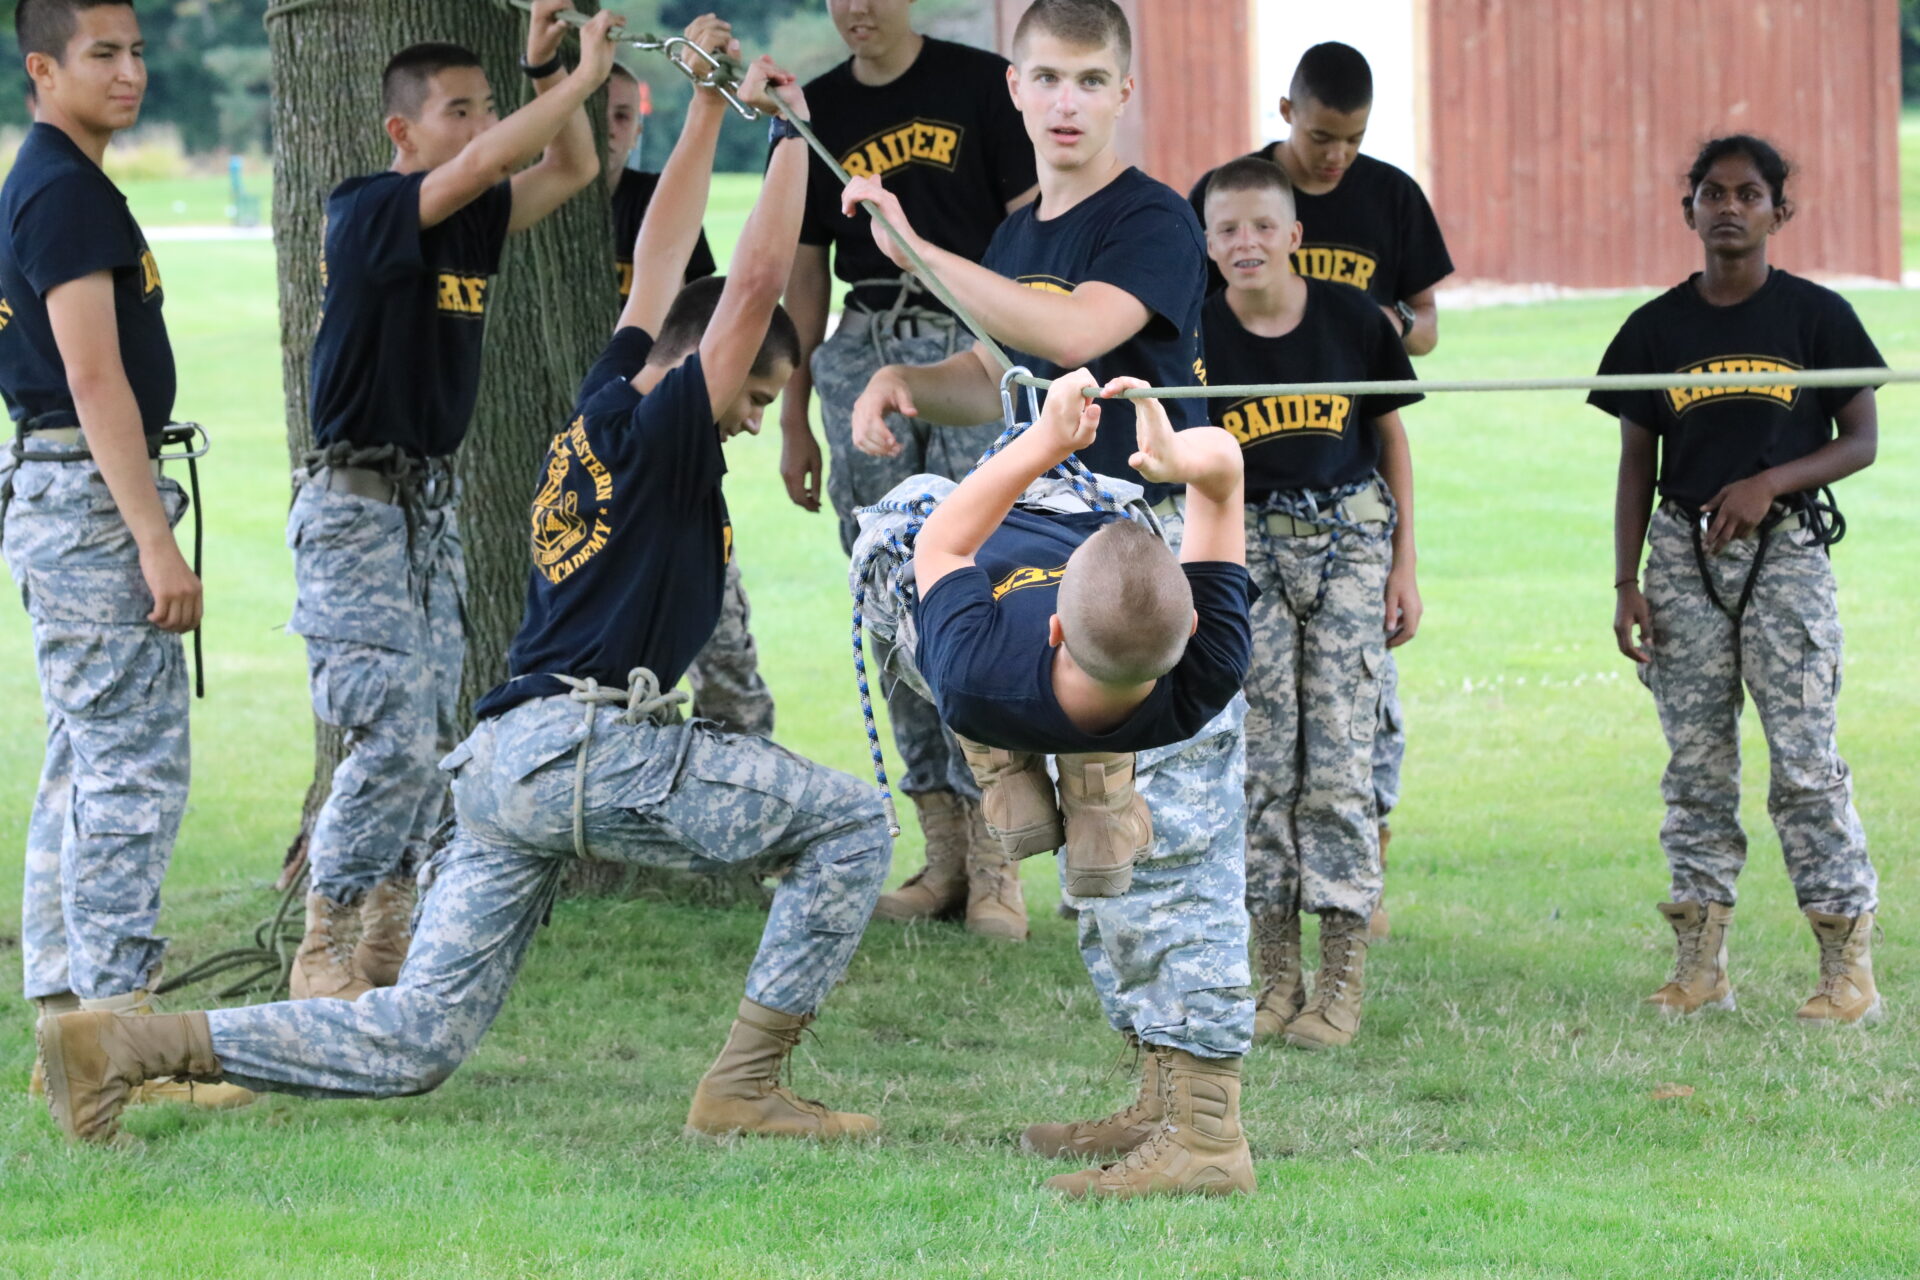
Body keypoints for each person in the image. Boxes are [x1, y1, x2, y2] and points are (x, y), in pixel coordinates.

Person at [39, 56, 899, 1148]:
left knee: (417, 1036)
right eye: (755, 395)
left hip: (504, 767)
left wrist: (708, 115)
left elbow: (658, 266)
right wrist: (788, 134)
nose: (748, 417)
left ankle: (123, 1046)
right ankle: (745, 1084)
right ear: (706, 372)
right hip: (596, 751)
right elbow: (756, 278)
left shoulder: (607, 400)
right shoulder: (671, 430)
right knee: (854, 823)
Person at [845, 0, 1207, 936]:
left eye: (1091, 81)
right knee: (892, 544)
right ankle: (1002, 755)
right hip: (1038, 509)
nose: (1067, 102)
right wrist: (906, 381)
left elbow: (1079, 333)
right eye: (1047, 77)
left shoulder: (1153, 220)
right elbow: (998, 373)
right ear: (1015, 86)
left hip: (1133, 520)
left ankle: (1093, 781)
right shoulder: (1017, 240)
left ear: (1124, 92)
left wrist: (920, 253)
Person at [851, 368, 1256, 1198]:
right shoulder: (1210, 661)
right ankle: (1166, 1104)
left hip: (1008, 697)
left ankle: (1209, 1143)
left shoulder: (976, 670)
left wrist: (1042, 441)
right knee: (1164, 882)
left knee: (897, 525)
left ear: (1057, 626)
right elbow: (1225, 476)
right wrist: (1177, 449)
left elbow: (942, 545)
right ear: (1192, 621)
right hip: (1157, 709)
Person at [285, 1, 621, 1002]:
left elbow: (569, 170)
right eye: (459, 109)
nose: (479, 128)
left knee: (431, 729)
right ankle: (324, 938)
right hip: (355, 503)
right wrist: (582, 83)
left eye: (486, 108)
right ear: (404, 131)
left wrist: (543, 62)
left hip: (428, 505)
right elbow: (481, 168)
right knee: (391, 730)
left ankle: (388, 935)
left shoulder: (470, 215)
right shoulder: (367, 207)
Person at [1, 0, 246, 1110]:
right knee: (130, 776)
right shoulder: (60, 192)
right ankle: (120, 1046)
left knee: (81, 763)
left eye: (139, 50)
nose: (132, 71)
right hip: (95, 501)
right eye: (104, 53)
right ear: (42, 69)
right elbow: (94, 379)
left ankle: (67, 1018)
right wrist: (156, 539)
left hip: (61, 489)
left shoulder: (52, 181)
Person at [1593, 135, 1883, 1025]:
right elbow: (1637, 460)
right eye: (1711, 193)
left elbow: (1861, 439)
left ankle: (1846, 967)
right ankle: (1701, 962)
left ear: (1778, 212)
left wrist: (1770, 483)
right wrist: (1626, 580)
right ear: (1688, 209)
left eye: (1748, 194)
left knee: (1802, 761)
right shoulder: (1656, 329)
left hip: (1785, 554)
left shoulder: (1817, 317)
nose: (1729, 207)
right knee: (1697, 764)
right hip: (1683, 559)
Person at [780, 0, 1038, 939]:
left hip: (971, 349)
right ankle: (943, 853)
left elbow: (1025, 237)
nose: (856, 10)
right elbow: (807, 273)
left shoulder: (979, 88)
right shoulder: (818, 110)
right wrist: (799, 419)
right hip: (863, 347)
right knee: (889, 591)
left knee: (983, 587)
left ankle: (1000, 856)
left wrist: (1015, 355)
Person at [1189, 42, 1453, 937]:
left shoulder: (1385, 210)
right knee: (1263, 734)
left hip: (1347, 508)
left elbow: (1409, 377)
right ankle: (1267, 917)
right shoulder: (1213, 290)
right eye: (1320, 135)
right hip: (1250, 527)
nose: (1336, 153)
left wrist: (1403, 562)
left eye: (1353, 138)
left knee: (1349, 721)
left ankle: (1350, 892)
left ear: (1295, 235)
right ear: (1286, 114)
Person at [1199, 157, 1421, 1049]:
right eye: (1226, 230)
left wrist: (1407, 565)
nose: (1245, 243)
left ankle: (1339, 980)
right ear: (1206, 244)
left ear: (1297, 236)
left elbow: (1392, 439)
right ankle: (1275, 976)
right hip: (1245, 547)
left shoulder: (1352, 321)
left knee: (1336, 761)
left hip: (1349, 543)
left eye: (1263, 226)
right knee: (1260, 765)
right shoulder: (1195, 333)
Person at [604, 53, 771, 739]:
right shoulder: (522, 204)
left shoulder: (651, 205)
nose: (612, 130)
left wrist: (708, 96)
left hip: (672, 460)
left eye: (623, 115)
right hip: (598, 465)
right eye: (598, 114)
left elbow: (709, 316)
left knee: (728, 671)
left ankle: (744, 814)